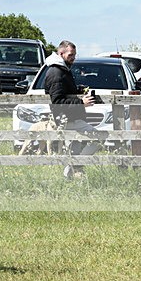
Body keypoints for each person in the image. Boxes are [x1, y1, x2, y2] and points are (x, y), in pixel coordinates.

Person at [43, 40, 99, 179]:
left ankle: (69, 176)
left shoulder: (62, 69)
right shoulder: (56, 72)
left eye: (74, 55)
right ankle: (76, 165)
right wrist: (81, 103)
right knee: (100, 137)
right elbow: (58, 101)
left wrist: (77, 90)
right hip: (67, 119)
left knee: (74, 150)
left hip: (71, 117)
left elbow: (63, 92)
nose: (73, 58)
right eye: (70, 55)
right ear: (61, 53)